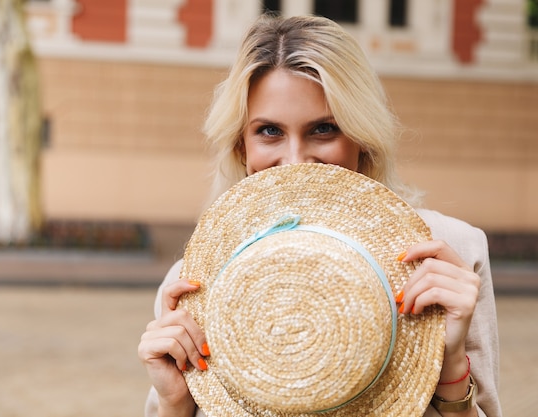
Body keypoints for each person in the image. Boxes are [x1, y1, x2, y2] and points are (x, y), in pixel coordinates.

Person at [138, 14, 501, 417]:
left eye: (324, 129)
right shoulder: (192, 288)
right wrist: (174, 403)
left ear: (363, 139)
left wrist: (449, 368)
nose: (295, 161)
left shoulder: (452, 256)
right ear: (242, 147)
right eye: (269, 131)